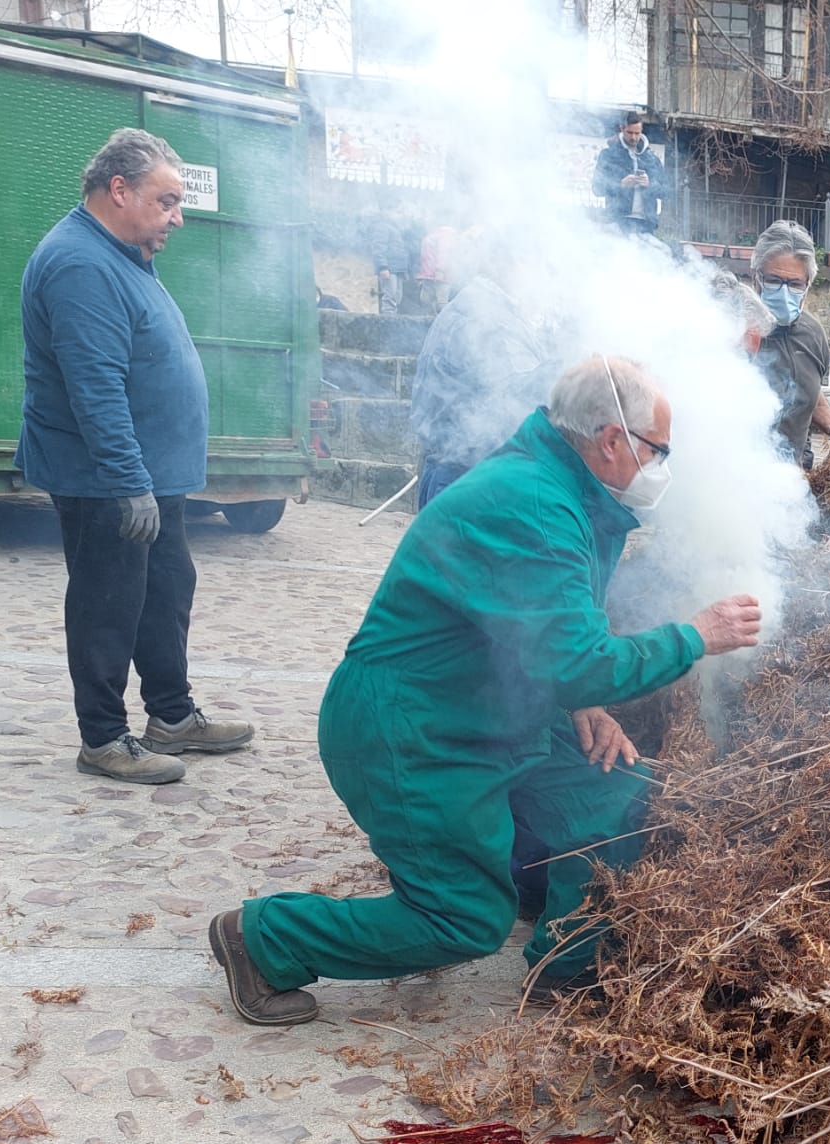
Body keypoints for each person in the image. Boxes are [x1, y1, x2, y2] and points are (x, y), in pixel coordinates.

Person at [207, 358, 764, 1027]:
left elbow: (539, 626)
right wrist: (695, 637)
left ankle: (567, 966)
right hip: (414, 729)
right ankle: (265, 939)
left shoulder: (566, 488)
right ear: (612, 441)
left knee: (614, 795)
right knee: (462, 919)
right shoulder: (534, 505)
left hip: (498, 707)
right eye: (657, 450)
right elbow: (579, 659)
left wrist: (580, 699)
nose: (660, 467)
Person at [17, 127, 251, 787]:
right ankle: (102, 737)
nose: (178, 217)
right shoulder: (81, 264)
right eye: (168, 201)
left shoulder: (122, 253)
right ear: (119, 190)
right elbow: (95, 388)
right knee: (107, 602)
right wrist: (127, 483)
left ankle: (172, 717)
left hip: (148, 475)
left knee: (165, 590)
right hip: (107, 481)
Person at [408, 242, 557, 508]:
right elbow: (518, 405)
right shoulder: (490, 320)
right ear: (515, 264)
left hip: (452, 474)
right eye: (540, 267)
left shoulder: (475, 305)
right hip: (468, 480)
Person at [748, 221, 830, 467]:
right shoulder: (732, 328)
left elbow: (808, 392)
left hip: (792, 478)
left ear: (807, 286)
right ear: (756, 277)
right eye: (773, 280)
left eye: (794, 284)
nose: (784, 292)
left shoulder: (813, 335)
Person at [593, 112, 668, 238]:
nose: (634, 137)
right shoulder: (608, 155)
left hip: (646, 224)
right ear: (622, 129)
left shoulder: (652, 158)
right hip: (617, 222)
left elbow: (666, 191)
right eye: (630, 132)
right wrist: (620, 184)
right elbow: (596, 188)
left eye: (637, 133)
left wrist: (650, 184)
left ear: (642, 130)